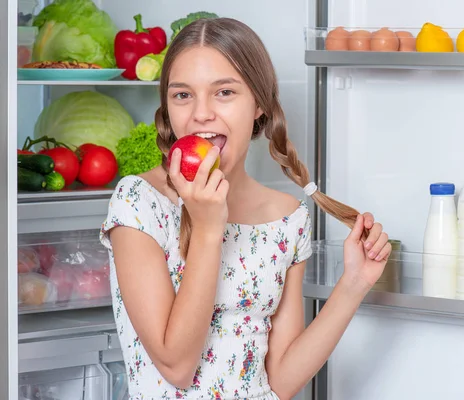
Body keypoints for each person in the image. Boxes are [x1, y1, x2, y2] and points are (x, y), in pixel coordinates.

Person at [99, 17, 392, 400]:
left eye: (224, 92)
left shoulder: (288, 218)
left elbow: (282, 380)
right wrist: (207, 228)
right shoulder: (138, 203)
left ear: (259, 104)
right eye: (182, 95)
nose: (201, 113)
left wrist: (353, 285)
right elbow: (176, 366)